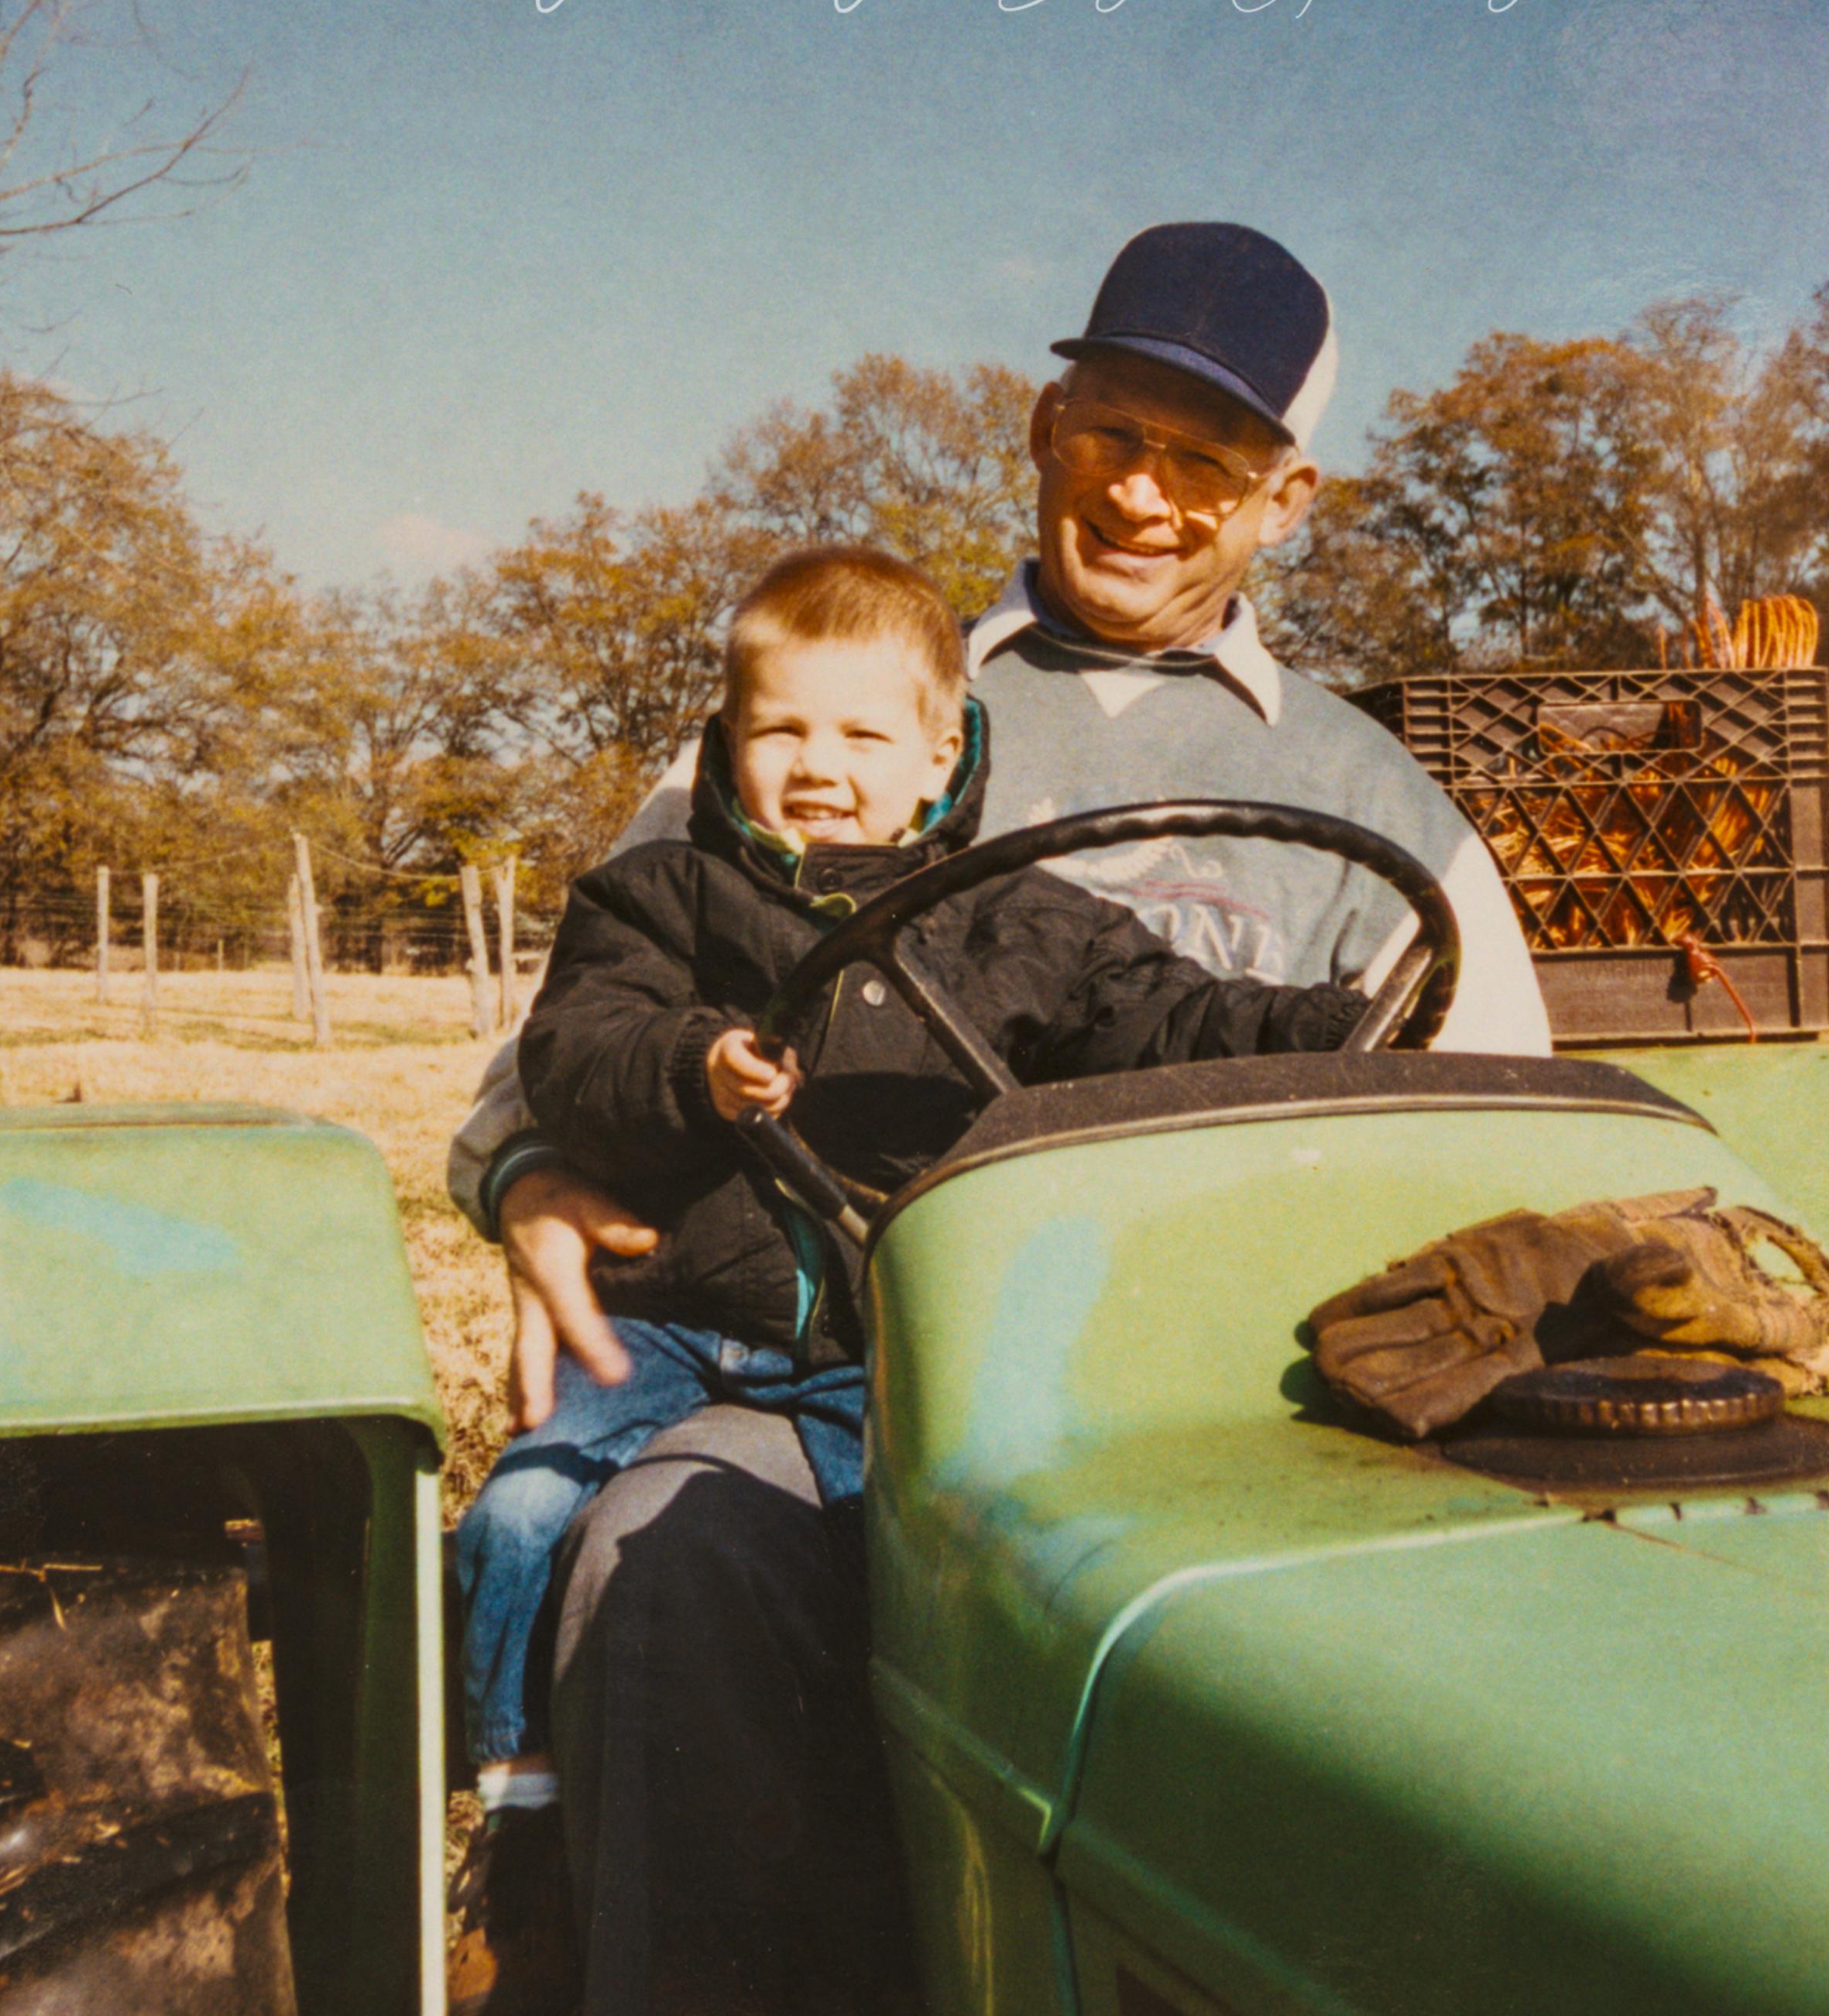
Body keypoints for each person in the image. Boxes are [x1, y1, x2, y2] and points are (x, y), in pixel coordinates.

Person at [444, 221, 1553, 2014]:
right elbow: (574, 1031)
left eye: (1207, 462)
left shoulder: (1382, 800)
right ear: (1044, 428)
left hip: (1228, 1410)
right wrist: (531, 1183)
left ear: (1287, 500)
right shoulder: (841, 706)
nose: (1143, 493)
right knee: (663, 1547)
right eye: (1114, 431)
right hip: (853, 1375)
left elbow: (1492, 1118)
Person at [450, 544, 1367, 2013]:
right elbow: (577, 1049)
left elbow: (1167, 1014)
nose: (820, 767)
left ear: (942, 754)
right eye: (782, 729)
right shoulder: (658, 897)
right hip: (678, 1325)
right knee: (521, 1513)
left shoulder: (1024, 916)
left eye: (863, 735)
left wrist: (1323, 1025)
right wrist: (689, 1063)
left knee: (899, 1559)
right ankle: (520, 1837)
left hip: (883, 1348)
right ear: (726, 739)